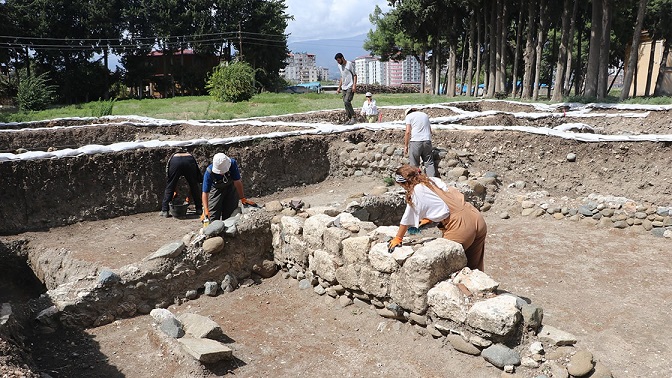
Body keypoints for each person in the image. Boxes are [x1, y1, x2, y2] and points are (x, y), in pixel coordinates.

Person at [388, 165, 487, 272]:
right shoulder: (432, 180)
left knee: (446, 269)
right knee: (474, 266)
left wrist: (398, 238)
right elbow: (443, 202)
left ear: (406, 183)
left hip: (460, 226)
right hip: (475, 216)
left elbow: (407, 218)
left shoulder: (416, 192)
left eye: (402, 185)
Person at [201, 153, 256, 221]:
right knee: (212, 214)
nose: (221, 173)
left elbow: (237, 182)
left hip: (231, 187)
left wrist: (242, 198)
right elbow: (205, 192)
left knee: (230, 213)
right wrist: (206, 209)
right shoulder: (209, 172)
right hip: (216, 189)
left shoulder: (232, 163)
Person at [160, 150, 203, 217]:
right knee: (194, 185)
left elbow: (169, 179)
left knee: (170, 186)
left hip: (175, 160)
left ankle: (165, 210)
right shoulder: (190, 155)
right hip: (189, 160)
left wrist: (173, 188)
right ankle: (199, 209)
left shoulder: (172, 157)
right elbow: (198, 179)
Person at [404, 107, 436, 177]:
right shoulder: (425, 115)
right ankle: (433, 182)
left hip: (415, 141)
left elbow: (407, 132)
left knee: (414, 165)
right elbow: (430, 131)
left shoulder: (409, 116)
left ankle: (416, 183)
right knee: (429, 163)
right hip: (427, 140)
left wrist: (406, 146)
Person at [334, 52, 357, 125]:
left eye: (339, 60)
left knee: (347, 101)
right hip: (344, 86)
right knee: (345, 103)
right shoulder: (339, 66)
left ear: (342, 58)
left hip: (350, 86)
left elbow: (355, 75)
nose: (338, 62)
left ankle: (354, 117)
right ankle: (350, 119)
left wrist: (354, 85)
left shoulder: (349, 64)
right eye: (337, 61)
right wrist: (339, 87)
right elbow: (342, 77)